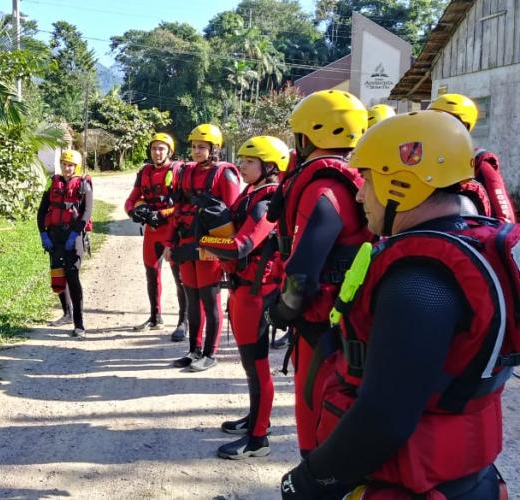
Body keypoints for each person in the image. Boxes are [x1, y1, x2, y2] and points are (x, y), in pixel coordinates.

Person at [281, 110, 512, 500]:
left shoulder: (418, 276)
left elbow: (385, 417)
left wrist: (307, 481)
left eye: (367, 180)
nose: (358, 194)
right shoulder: (476, 243)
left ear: (403, 184)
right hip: (465, 478)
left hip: (415, 485)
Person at [264, 90, 372, 456]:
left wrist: (279, 310)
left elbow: (304, 276)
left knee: (314, 425)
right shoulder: (360, 178)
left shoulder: (323, 189)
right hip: (349, 320)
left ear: (306, 137)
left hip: (321, 328)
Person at [198, 136, 288, 459]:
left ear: (269, 168)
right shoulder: (251, 194)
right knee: (249, 366)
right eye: (243, 160)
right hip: (241, 289)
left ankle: (258, 439)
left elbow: (242, 246)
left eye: (250, 162)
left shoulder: (267, 202)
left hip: (257, 294)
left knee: (258, 365)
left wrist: (203, 242)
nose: (242, 165)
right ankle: (254, 419)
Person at [163, 124, 240, 371]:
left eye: (202, 147)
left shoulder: (224, 174)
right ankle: (194, 350)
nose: (197, 151)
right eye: (194, 147)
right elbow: (176, 212)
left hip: (210, 246)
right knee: (192, 298)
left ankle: (210, 352)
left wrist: (226, 253)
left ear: (214, 149)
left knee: (210, 299)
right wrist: (169, 243)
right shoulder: (185, 172)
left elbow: (232, 216)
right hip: (186, 244)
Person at [124, 132, 188, 340]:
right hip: (152, 232)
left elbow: (183, 204)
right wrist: (134, 212)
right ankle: (155, 317)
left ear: (169, 151)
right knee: (151, 273)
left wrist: (162, 214)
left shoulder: (179, 170)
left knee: (180, 278)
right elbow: (131, 200)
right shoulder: (144, 172)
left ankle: (183, 321)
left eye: (161, 148)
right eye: (154, 148)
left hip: (172, 230)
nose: (157, 152)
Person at [429, 93, 516, 222]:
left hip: (466, 236)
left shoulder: (480, 162)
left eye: (448, 122)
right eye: (434, 122)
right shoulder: (422, 157)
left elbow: (506, 219)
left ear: (464, 127)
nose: (439, 128)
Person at [37, 149, 94, 337]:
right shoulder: (52, 182)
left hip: (73, 236)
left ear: (76, 166)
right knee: (58, 275)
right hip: (54, 235)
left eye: (70, 165)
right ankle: (66, 313)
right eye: (64, 164)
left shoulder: (84, 184)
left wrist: (75, 234)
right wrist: (43, 235)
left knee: (72, 276)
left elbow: (86, 213)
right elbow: (42, 211)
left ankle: (79, 324)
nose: (67, 168)